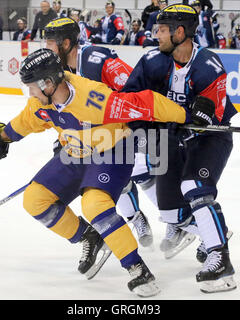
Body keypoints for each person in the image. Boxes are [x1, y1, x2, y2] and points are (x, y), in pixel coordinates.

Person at [0, 48, 210, 297]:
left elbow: (146, 103)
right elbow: (28, 120)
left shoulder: (95, 98)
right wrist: (1, 138)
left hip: (113, 150)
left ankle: (137, 268)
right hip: (77, 151)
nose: (31, 93)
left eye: (32, 87)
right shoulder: (41, 102)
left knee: (95, 205)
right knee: (35, 199)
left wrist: (187, 116)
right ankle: (89, 237)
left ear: (47, 83)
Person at [122, 3, 238, 293]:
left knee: (194, 186)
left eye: (161, 30)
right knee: (171, 213)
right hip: (168, 139)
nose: (155, 35)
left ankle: (220, 260)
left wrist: (196, 117)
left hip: (209, 138)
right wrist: (141, 127)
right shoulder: (151, 61)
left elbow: (208, 118)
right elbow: (129, 100)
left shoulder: (209, 66)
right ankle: (215, 230)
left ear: (181, 32)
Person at [43, 18, 155, 247]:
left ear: (65, 43)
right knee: (113, 182)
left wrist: (140, 123)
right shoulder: (59, 71)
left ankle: (176, 219)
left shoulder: (97, 60)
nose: (46, 49)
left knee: (144, 171)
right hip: (98, 137)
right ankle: (136, 217)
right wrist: (62, 138)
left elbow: (135, 87)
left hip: (127, 130)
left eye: (50, 43)